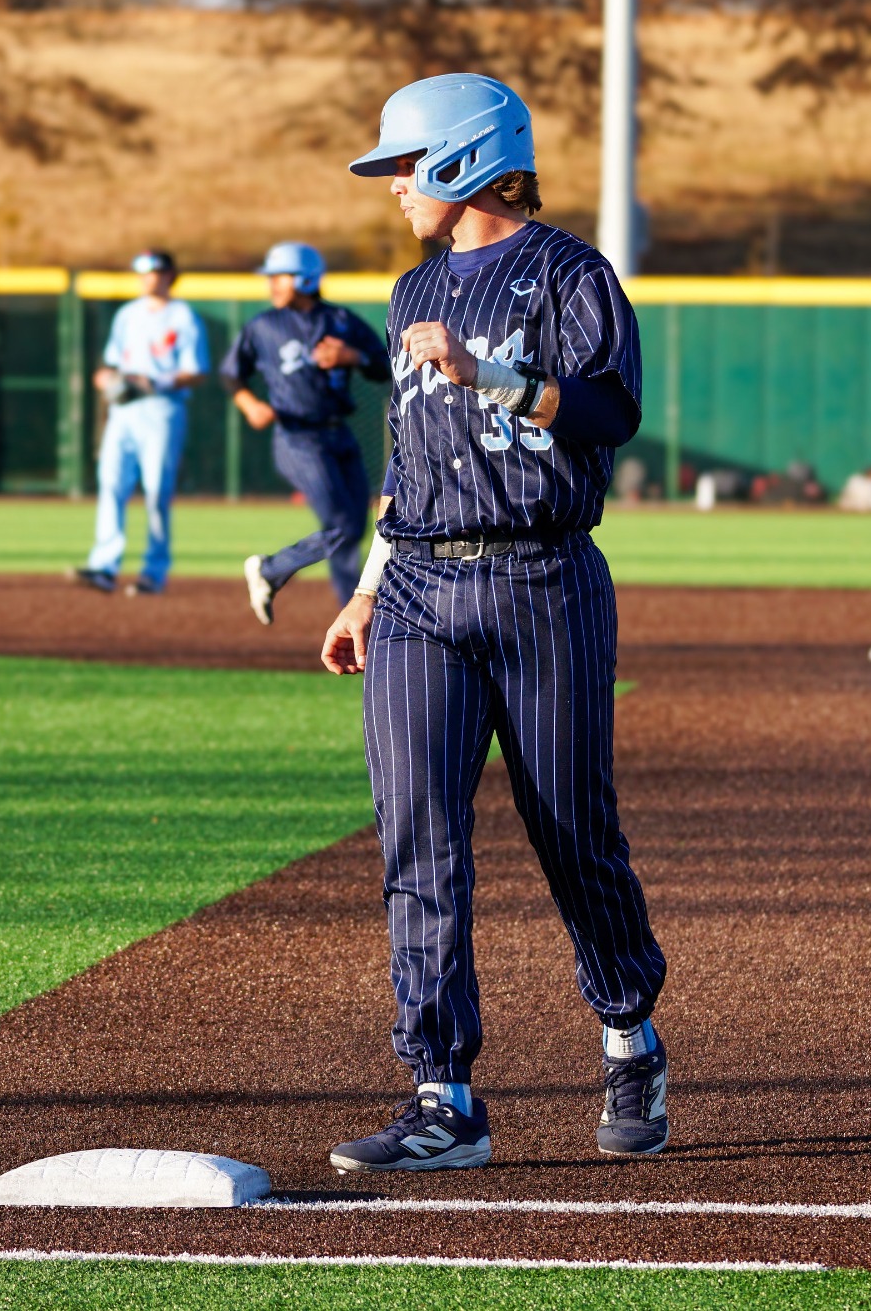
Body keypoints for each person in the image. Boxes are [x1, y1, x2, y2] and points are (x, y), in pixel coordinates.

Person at [319, 73, 670, 1174]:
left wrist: (495, 375)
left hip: (541, 579)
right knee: (417, 836)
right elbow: (404, 460)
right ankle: (443, 1093)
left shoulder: (569, 272)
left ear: (465, 160)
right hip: (419, 587)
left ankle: (627, 1032)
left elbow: (612, 411)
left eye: (401, 166)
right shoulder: (407, 288)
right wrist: (369, 583)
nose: (391, 189)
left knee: (569, 829)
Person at [226, 242, 391, 624]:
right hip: (297, 437)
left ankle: (352, 611)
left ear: (304, 278)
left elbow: (385, 367)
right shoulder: (264, 326)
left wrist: (353, 357)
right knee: (342, 526)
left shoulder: (342, 322)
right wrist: (250, 404)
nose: (271, 285)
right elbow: (232, 373)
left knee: (354, 529)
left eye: (278, 277)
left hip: (339, 434)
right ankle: (270, 569)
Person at [69, 250, 208, 596]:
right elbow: (110, 364)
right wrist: (105, 379)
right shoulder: (127, 315)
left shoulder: (183, 317)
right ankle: (104, 566)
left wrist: (155, 382)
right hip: (124, 412)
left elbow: (196, 372)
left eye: (156, 271)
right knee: (111, 484)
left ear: (170, 275)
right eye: (143, 272)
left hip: (161, 409)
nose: (149, 278)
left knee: (157, 492)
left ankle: (153, 572)